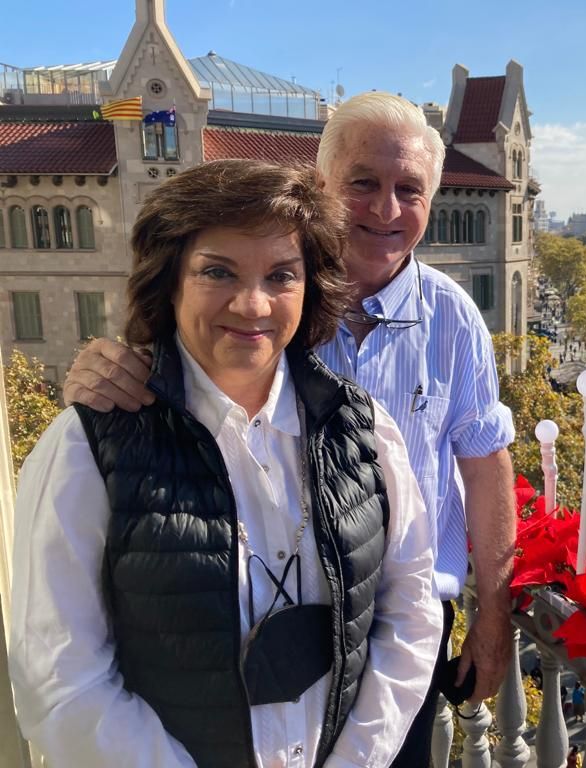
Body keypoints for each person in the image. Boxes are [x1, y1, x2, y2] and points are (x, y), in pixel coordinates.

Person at [61, 91, 516, 768]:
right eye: (363, 183)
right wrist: (101, 370)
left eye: (409, 189)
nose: (386, 210)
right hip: (242, 622)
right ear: (322, 184)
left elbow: (486, 465)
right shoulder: (264, 307)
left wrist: (494, 619)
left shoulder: (455, 319)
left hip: (404, 627)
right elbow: (159, 373)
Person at [10, 159, 441, 768]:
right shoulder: (88, 447)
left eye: (281, 275)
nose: (252, 303)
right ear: (170, 283)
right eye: (218, 271)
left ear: (309, 287)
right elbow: (59, 679)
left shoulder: (366, 431)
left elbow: (410, 610)